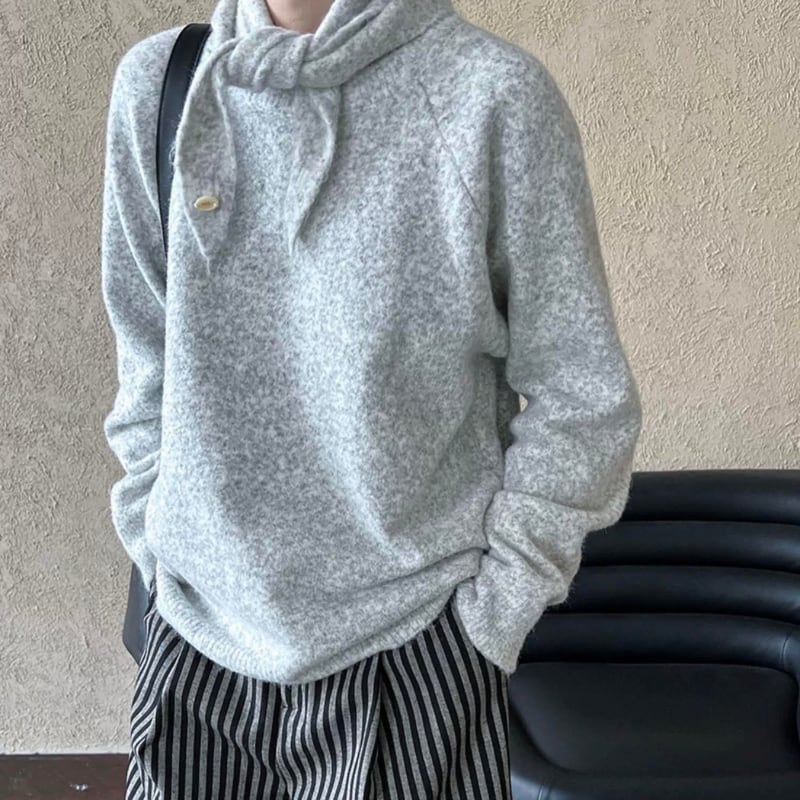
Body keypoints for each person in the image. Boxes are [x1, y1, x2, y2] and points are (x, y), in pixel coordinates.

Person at [100, 0, 643, 797]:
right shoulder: (162, 87)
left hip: (414, 654)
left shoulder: (490, 97)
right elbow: (148, 355)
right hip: (193, 645)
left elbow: (584, 397)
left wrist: (489, 620)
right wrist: (155, 552)